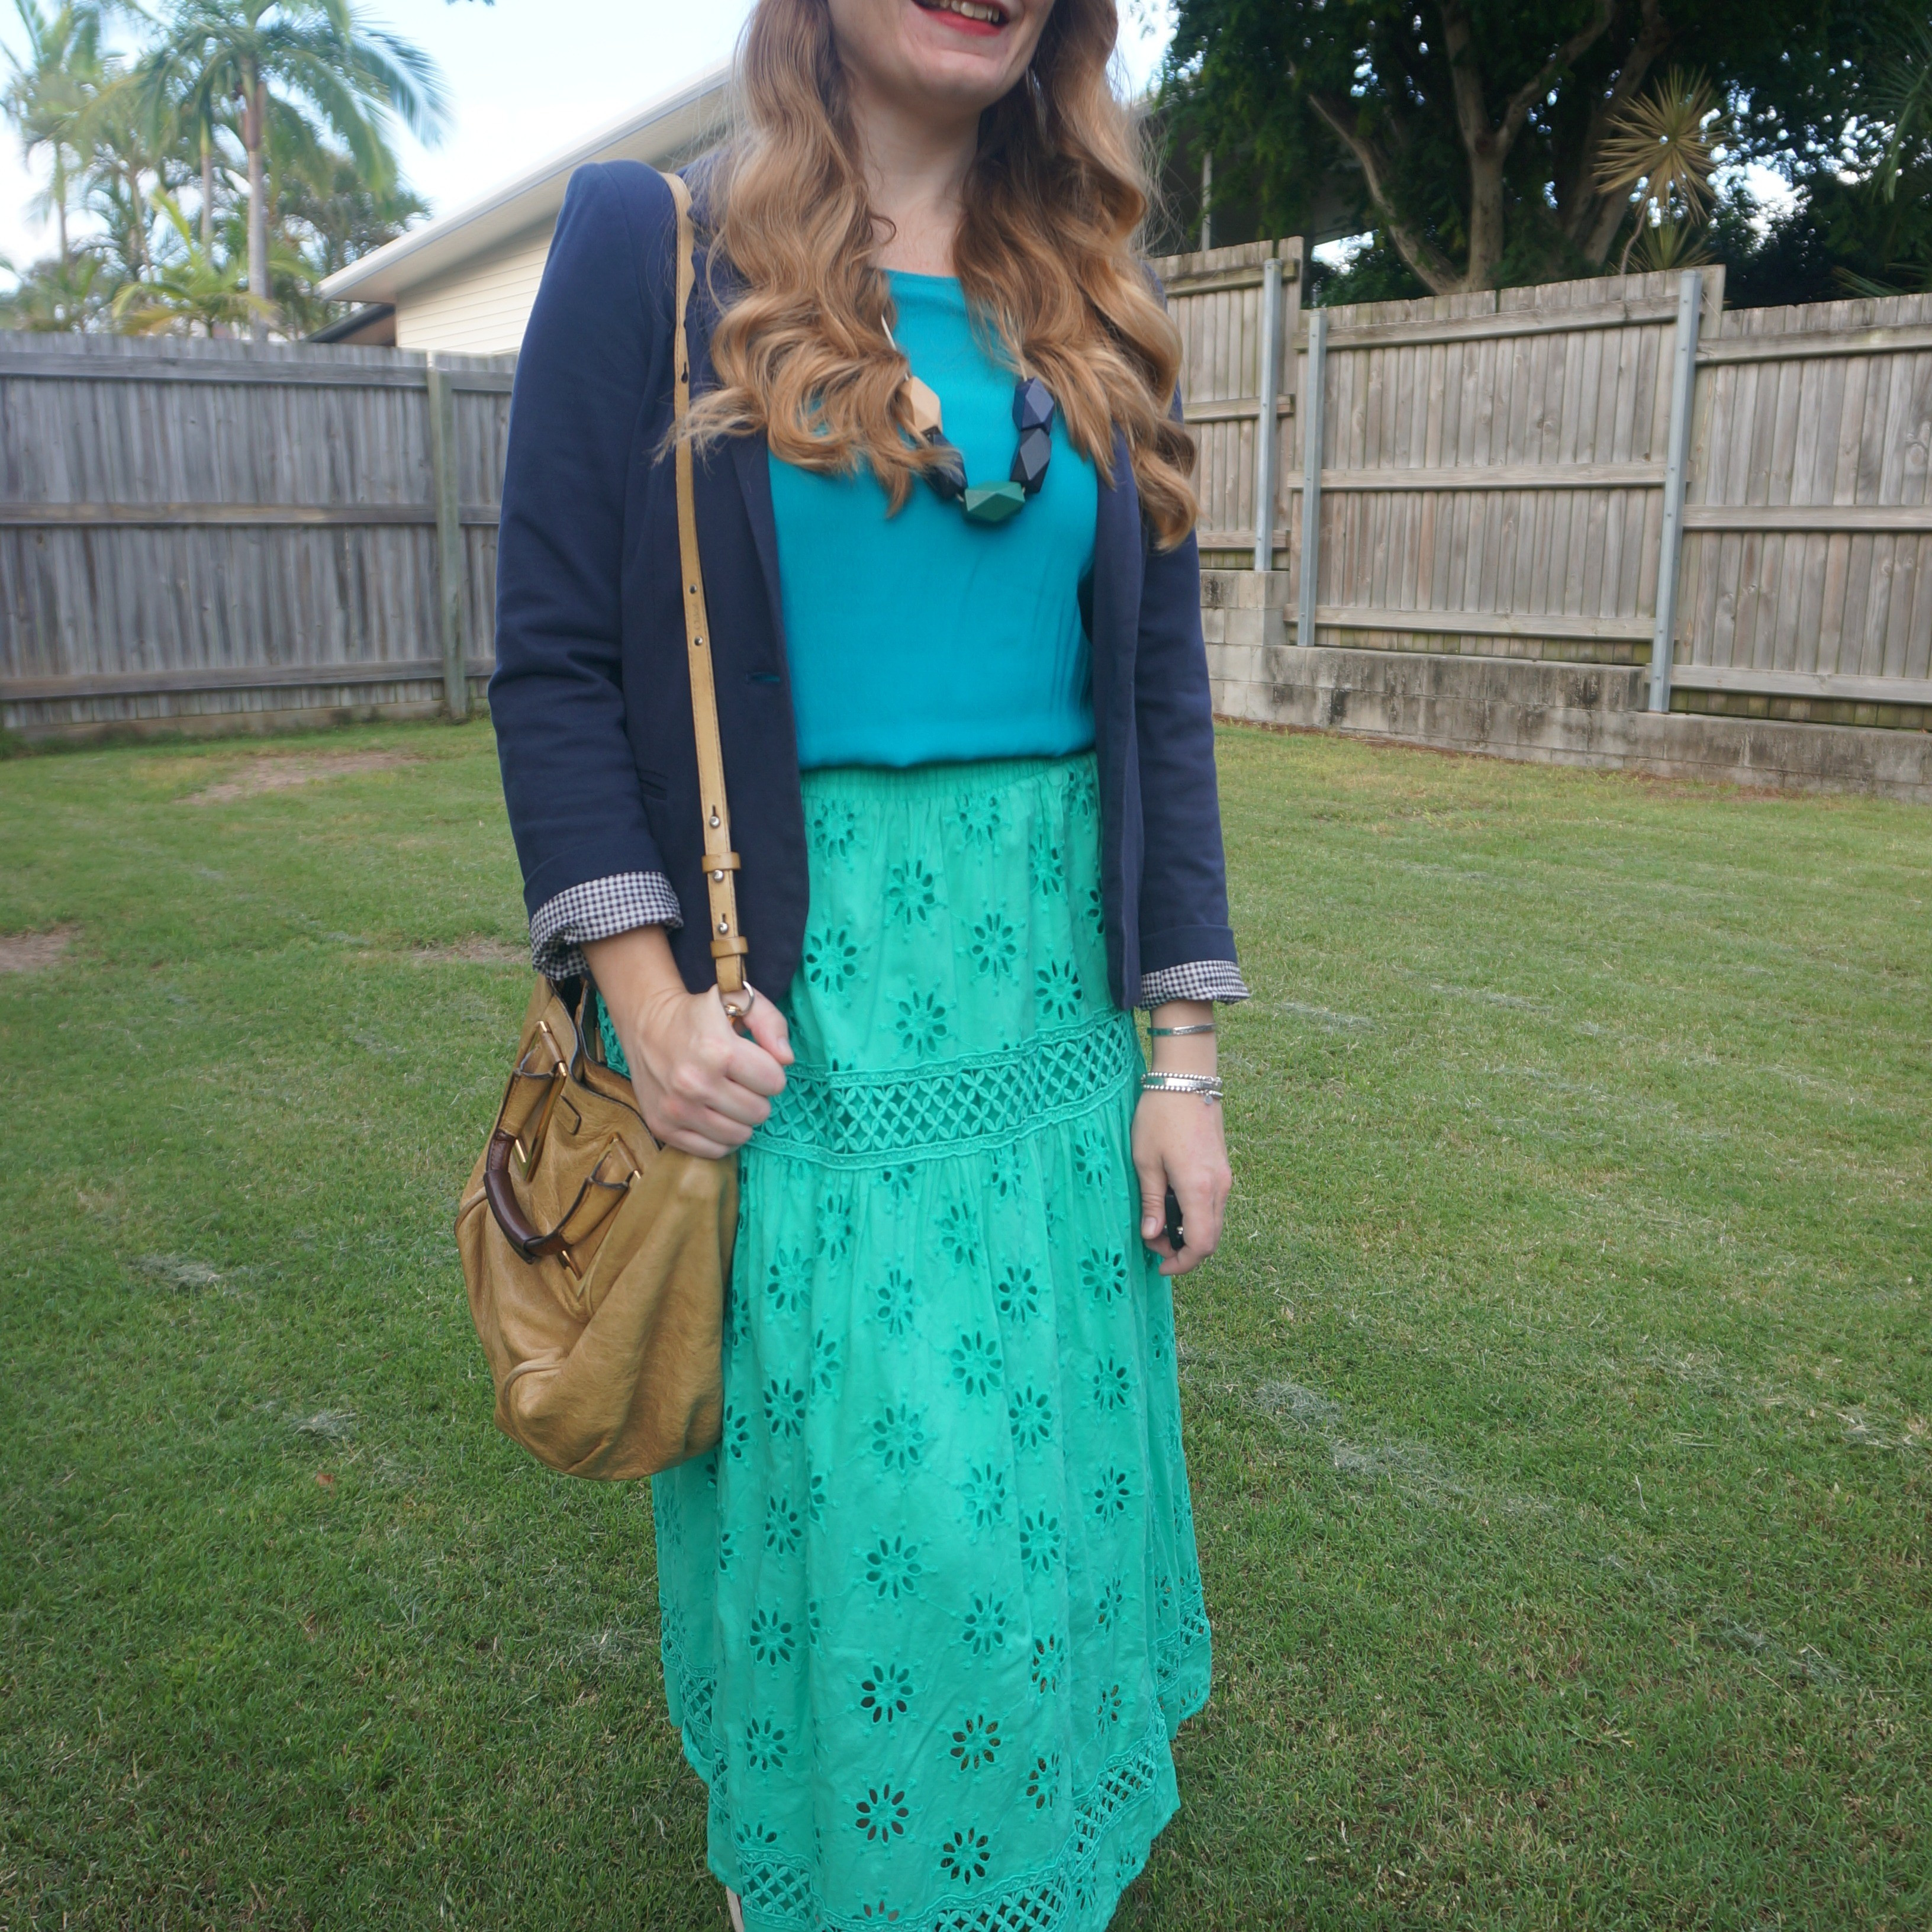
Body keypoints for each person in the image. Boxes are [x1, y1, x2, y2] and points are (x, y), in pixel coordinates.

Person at [489, 0, 1245, 1923]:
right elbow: (556, 666)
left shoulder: (1087, 291)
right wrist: (646, 1012)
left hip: (1053, 1059)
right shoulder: (645, 255)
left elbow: (1156, 696)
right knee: (878, 1563)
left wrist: (1181, 1064)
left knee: (1043, 1551)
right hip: (805, 1056)